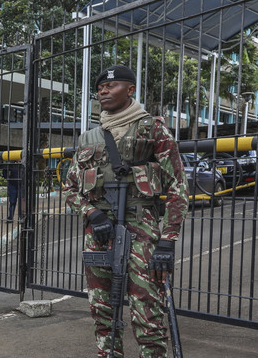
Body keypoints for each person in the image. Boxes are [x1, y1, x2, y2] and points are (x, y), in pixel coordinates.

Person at [62, 65, 188, 358]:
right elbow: (69, 188)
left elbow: (177, 186)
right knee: (102, 309)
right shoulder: (89, 138)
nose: (103, 91)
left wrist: (168, 240)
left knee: (147, 312)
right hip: (98, 232)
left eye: (112, 85)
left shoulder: (152, 128)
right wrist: (92, 213)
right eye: (101, 88)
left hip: (140, 228)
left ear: (131, 90)